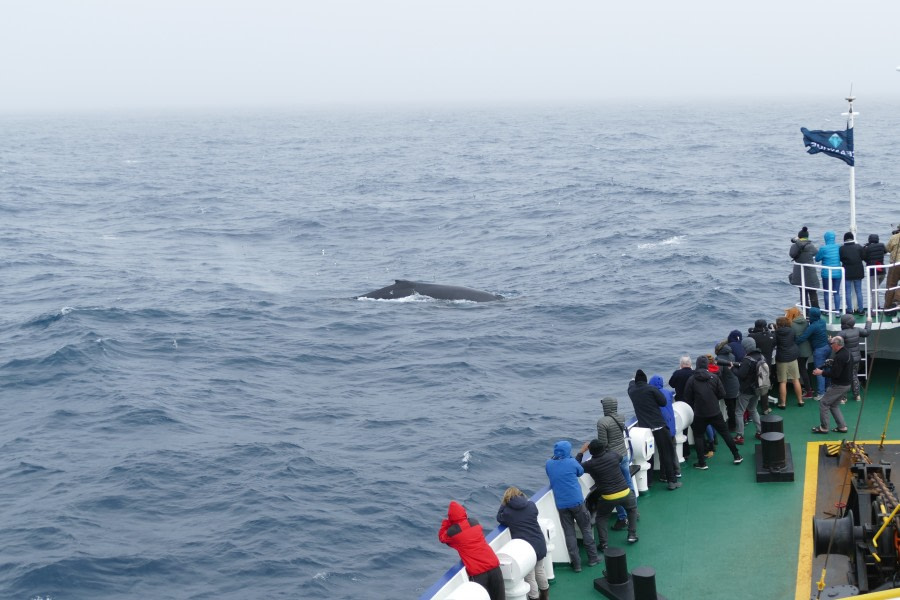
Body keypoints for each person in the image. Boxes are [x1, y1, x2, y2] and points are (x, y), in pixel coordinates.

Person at [545, 440, 601, 572]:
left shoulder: (549, 464)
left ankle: (576, 565)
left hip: (561, 505)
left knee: (569, 534)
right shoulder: (571, 462)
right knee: (586, 529)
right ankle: (593, 558)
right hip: (577, 502)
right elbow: (580, 471)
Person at [683, 355, 743, 469]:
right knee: (725, 434)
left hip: (699, 413)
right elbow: (722, 394)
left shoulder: (691, 379)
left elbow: (687, 398)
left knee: (699, 436)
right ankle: (736, 455)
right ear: (707, 365)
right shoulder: (714, 377)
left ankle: (702, 463)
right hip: (714, 411)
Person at [579, 439, 639, 550]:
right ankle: (632, 535)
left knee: (601, 518)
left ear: (591, 452)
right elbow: (620, 458)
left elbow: (576, 467)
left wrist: (582, 451)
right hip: (625, 492)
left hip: (608, 497)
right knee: (632, 510)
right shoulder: (613, 456)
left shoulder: (590, 464)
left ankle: (603, 544)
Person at [439, 501, 505, 600]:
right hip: (494, 567)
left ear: (451, 516)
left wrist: (447, 522)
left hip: (478, 573)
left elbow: (442, 538)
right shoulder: (475, 523)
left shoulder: (453, 532)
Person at [628, 369, 680, 489]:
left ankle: (648, 482)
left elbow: (630, 384)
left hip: (644, 429)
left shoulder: (632, 391)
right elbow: (662, 402)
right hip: (659, 426)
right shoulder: (651, 389)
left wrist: (632, 380)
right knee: (666, 453)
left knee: (648, 455)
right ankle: (671, 481)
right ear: (646, 381)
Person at [497, 487, 549, 600]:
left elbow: (499, 517)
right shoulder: (531, 505)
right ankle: (545, 596)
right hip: (539, 542)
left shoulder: (507, 512)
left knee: (530, 576)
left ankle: (534, 597)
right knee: (540, 570)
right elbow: (535, 513)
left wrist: (504, 504)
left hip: (526, 549)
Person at [595, 397, 635, 531]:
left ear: (605, 406)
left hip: (612, 459)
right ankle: (633, 510)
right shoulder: (621, 417)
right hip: (623, 454)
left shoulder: (602, 422)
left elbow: (603, 444)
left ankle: (622, 517)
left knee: (616, 489)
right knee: (628, 483)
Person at [811, 336, 851, 434]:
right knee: (834, 405)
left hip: (839, 386)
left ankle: (824, 428)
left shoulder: (839, 357)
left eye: (831, 344)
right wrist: (833, 364)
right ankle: (842, 427)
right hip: (846, 385)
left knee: (824, 403)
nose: (830, 346)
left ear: (836, 345)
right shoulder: (847, 352)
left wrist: (821, 372)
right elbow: (842, 368)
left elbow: (835, 374)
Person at [734, 337, 765, 444]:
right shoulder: (761, 356)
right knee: (753, 409)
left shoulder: (747, 359)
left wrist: (732, 368)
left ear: (745, 347)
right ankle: (760, 431)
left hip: (746, 390)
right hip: (758, 389)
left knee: (739, 412)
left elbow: (741, 375)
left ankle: (739, 436)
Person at [649, 374, 680, 478]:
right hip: (672, 426)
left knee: (664, 452)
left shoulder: (653, 394)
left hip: (662, 428)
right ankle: (677, 471)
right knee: (673, 450)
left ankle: (664, 474)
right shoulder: (668, 393)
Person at [796, 306, 830, 399]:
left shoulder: (813, 326)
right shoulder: (822, 321)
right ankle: (828, 388)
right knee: (826, 369)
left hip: (819, 351)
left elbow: (803, 337)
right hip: (827, 347)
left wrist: (793, 342)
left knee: (819, 372)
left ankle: (821, 393)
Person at [837, 313, 872, 402]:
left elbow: (837, 343)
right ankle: (857, 396)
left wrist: (830, 340)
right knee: (854, 376)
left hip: (846, 359)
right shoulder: (857, 330)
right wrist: (868, 322)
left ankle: (843, 398)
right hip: (856, 359)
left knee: (844, 377)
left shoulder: (842, 333)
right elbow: (867, 332)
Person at [774, 316, 804, 408]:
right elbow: (794, 340)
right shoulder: (792, 331)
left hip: (782, 358)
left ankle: (783, 403)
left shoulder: (776, 333)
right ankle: (800, 401)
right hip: (792, 357)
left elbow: (774, 343)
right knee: (796, 380)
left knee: (783, 382)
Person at [786, 306, 813, 399]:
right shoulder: (805, 322)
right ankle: (810, 387)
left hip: (800, 351)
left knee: (802, 370)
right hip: (807, 349)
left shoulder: (792, 324)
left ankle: (809, 391)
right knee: (805, 368)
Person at [790, 227, 820, 308]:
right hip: (809, 273)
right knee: (813, 293)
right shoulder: (810, 246)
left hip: (799, 273)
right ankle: (815, 311)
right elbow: (816, 253)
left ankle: (806, 312)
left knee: (803, 293)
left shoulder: (794, 246)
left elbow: (791, 254)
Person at [714, 340, 740, 431]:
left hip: (727, 386)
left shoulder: (719, 359)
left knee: (730, 408)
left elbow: (719, 373)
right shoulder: (732, 355)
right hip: (735, 383)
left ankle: (732, 426)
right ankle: (739, 423)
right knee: (735, 407)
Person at [815, 230, 843, 312]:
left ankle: (827, 311)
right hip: (838, 272)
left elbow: (817, 259)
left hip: (827, 273)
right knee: (836, 292)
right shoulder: (838, 247)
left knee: (827, 292)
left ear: (825, 238)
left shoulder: (823, 248)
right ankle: (837, 311)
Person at [840, 232, 866, 314]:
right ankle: (861, 310)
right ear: (852, 238)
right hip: (858, 272)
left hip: (847, 272)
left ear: (844, 239)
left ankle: (850, 310)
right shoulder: (858, 247)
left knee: (848, 292)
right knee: (859, 291)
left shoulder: (842, 248)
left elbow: (841, 259)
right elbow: (863, 257)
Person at [862, 233, 887, 310]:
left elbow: (863, 257)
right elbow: (885, 252)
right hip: (882, 272)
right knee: (876, 289)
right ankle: (877, 305)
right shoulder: (882, 245)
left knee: (874, 291)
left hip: (873, 272)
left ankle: (874, 310)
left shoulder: (867, 248)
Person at [885, 225, 900, 313]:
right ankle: (897, 300)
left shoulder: (894, 237)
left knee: (891, 285)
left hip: (895, 264)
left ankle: (888, 306)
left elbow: (888, 249)